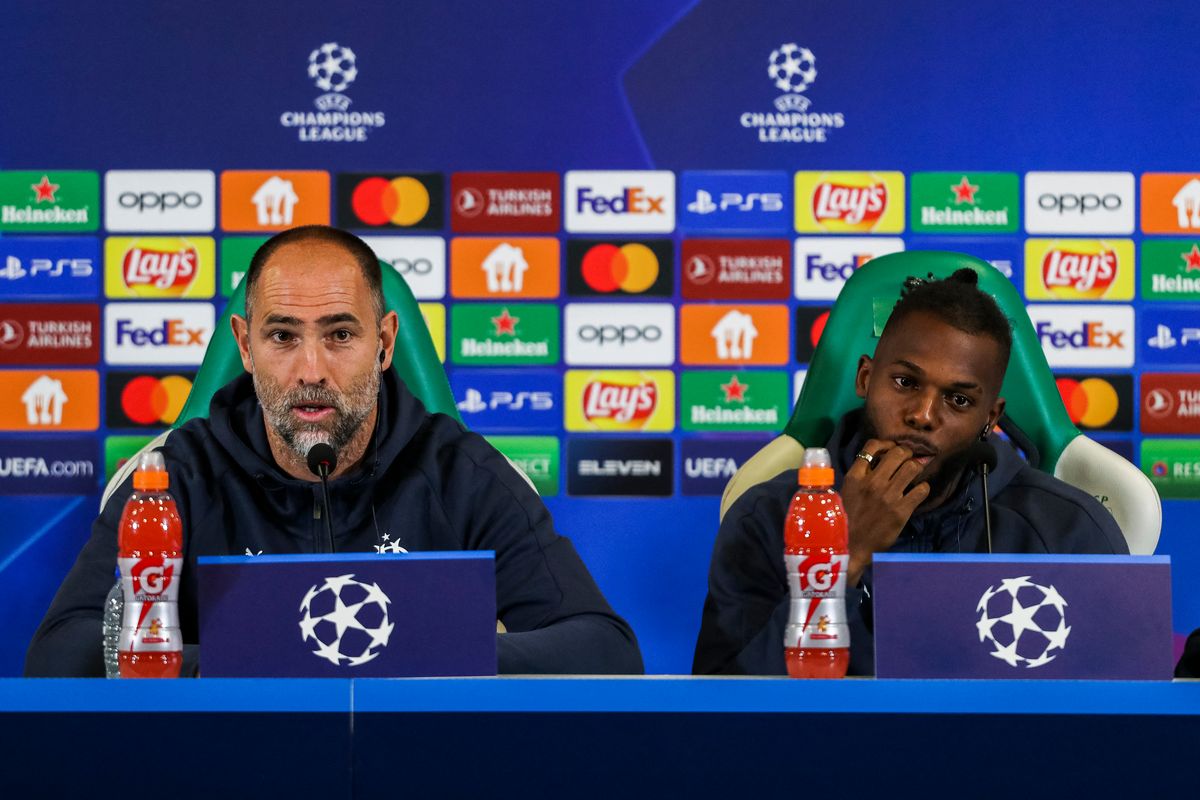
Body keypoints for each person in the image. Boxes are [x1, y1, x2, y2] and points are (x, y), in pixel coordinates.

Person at [26, 225, 643, 677]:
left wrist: (418, 653)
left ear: (385, 342)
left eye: (341, 334)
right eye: (282, 336)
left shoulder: (463, 473)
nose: (310, 369)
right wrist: (266, 658)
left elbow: (604, 650)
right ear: (244, 346)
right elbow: (59, 656)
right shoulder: (176, 477)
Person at [693, 269, 1128, 676]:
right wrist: (844, 555)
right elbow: (724, 717)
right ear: (866, 378)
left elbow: (1121, 713)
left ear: (989, 418)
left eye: (958, 400)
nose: (922, 415)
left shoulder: (1068, 530)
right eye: (905, 383)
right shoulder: (767, 519)